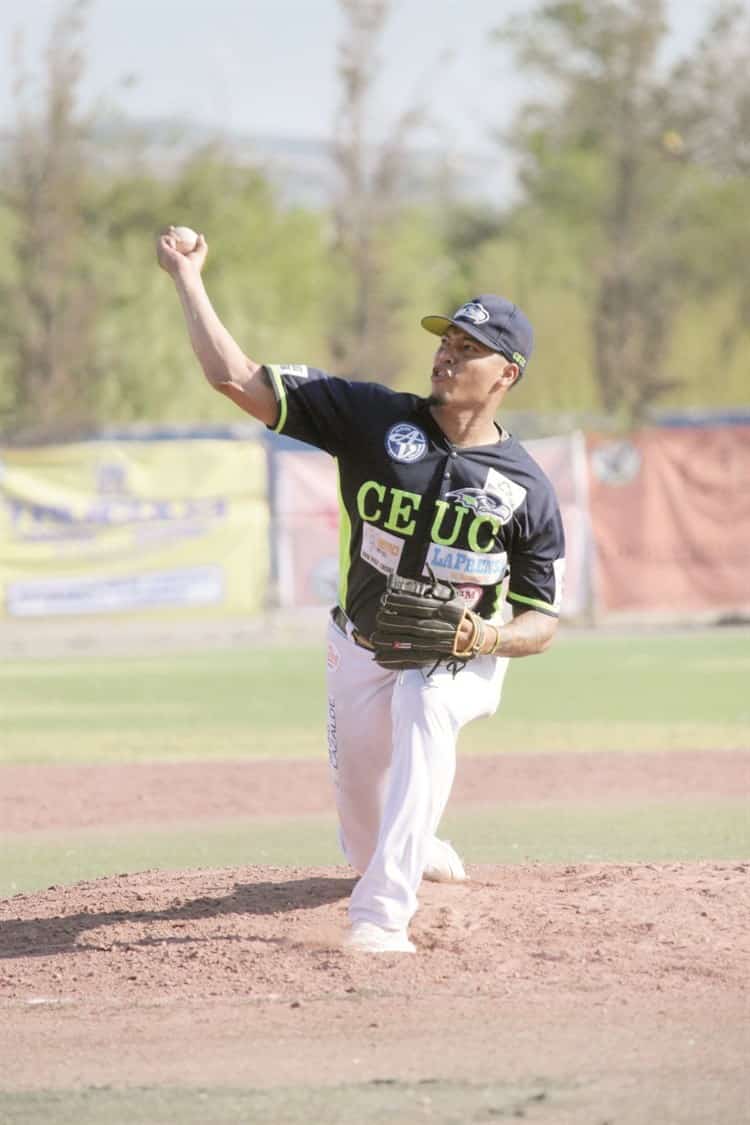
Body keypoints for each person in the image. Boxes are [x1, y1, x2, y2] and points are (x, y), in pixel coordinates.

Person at [157, 228, 565, 955]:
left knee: (426, 703)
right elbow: (234, 378)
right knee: (362, 835)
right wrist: (188, 279)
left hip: (457, 654)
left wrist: (486, 636)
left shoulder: (527, 488)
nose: (447, 353)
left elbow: (543, 619)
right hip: (360, 645)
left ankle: (381, 918)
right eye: (447, 340)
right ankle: (411, 839)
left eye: (469, 347)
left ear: (507, 373)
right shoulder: (373, 419)